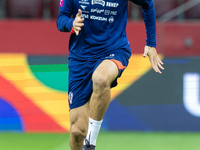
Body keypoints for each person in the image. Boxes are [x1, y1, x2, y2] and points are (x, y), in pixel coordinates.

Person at [57, 0, 164, 149]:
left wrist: (151, 43)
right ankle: (84, 140)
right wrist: (71, 23)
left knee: (101, 79)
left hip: (113, 50)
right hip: (80, 58)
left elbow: (147, 3)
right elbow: (61, 20)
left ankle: (90, 143)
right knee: (77, 131)